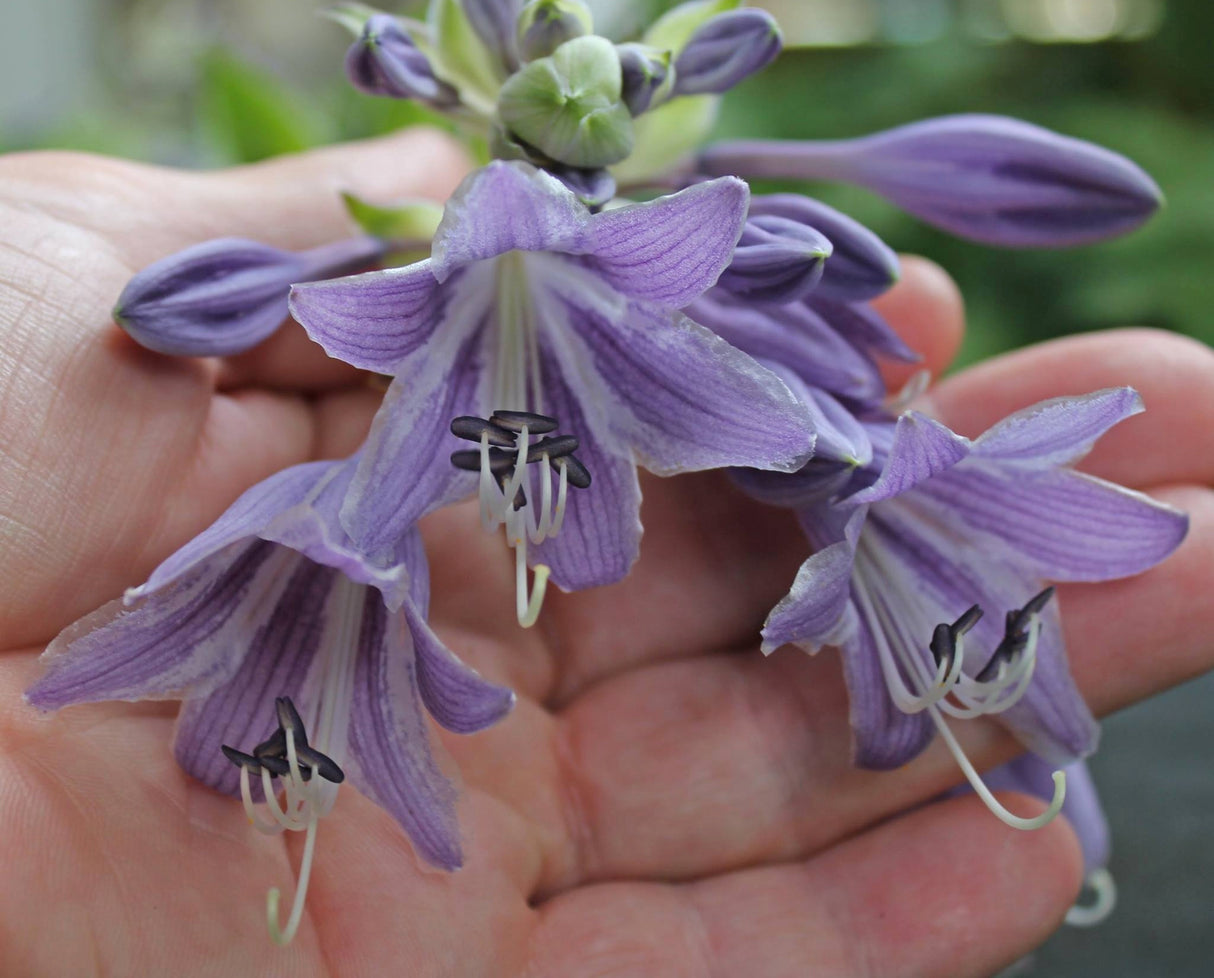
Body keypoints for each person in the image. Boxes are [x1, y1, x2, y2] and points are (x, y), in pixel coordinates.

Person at [0, 128, 1210, 977]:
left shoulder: (678, 390)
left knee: (827, 454)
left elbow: (776, 425)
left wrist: (845, 466)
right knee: (363, 526)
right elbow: (365, 311)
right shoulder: (372, 470)